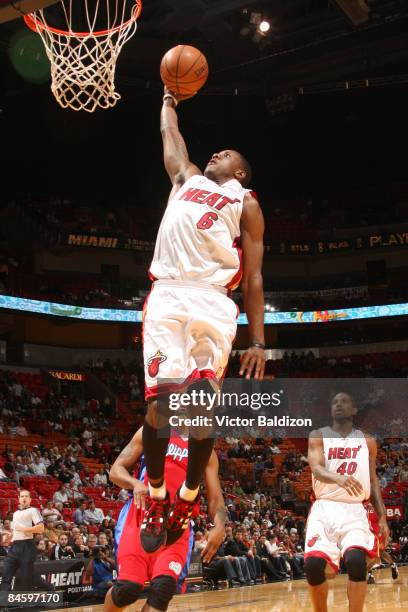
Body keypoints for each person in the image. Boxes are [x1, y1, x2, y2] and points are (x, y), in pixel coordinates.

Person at [140, 85, 265, 554]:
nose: (216, 153)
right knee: (159, 404)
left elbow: (253, 278)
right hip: (168, 294)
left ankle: (189, 497)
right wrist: (169, 102)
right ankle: (156, 496)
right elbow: (171, 136)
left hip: (214, 301)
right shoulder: (186, 180)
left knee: (200, 405)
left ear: (240, 171)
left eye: (226, 153)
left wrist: (258, 341)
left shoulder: (245, 202)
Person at [103, 424, 227, 611]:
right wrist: (134, 483)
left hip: (177, 523)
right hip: (142, 515)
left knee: (163, 590)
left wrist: (219, 525)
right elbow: (115, 470)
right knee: (127, 589)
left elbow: (216, 497)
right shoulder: (151, 430)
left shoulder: (207, 452)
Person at [304, 392, 389, 612]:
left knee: (356, 562)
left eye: (344, 401)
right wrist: (338, 478)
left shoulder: (367, 441)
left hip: (354, 509)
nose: (338, 405)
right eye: (334, 402)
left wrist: (382, 516)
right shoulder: (318, 435)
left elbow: (372, 479)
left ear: (354, 410)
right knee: (313, 566)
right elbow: (316, 469)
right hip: (325, 506)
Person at [0, 490, 48, 594]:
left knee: (28, 576)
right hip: (14, 547)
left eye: (26, 496)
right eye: (22, 496)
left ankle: (49, 588)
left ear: (30, 499)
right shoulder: (16, 513)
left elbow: (41, 528)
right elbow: (15, 531)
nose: (24, 498)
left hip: (27, 546)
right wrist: (9, 539)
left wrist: (25, 529)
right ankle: (2, 603)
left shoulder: (33, 510)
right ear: (19, 499)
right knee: (6, 575)